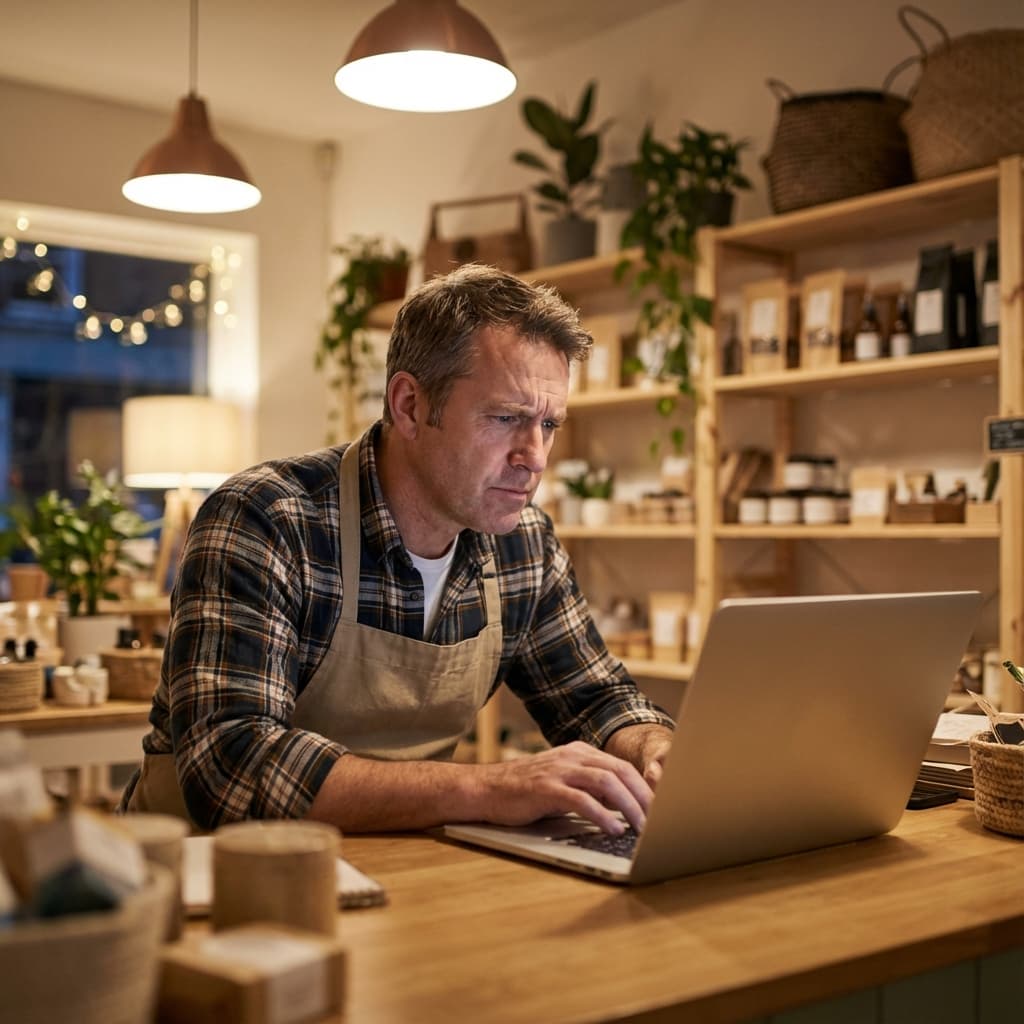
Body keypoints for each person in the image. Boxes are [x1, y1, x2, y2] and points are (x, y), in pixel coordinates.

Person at [120, 264, 675, 836]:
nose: (534, 456)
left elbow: (592, 699)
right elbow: (231, 767)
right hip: (203, 871)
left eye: (549, 424)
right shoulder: (266, 519)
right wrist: (489, 787)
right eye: (506, 418)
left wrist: (655, 749)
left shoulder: (523, 544)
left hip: (400, 865)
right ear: (409, 405)